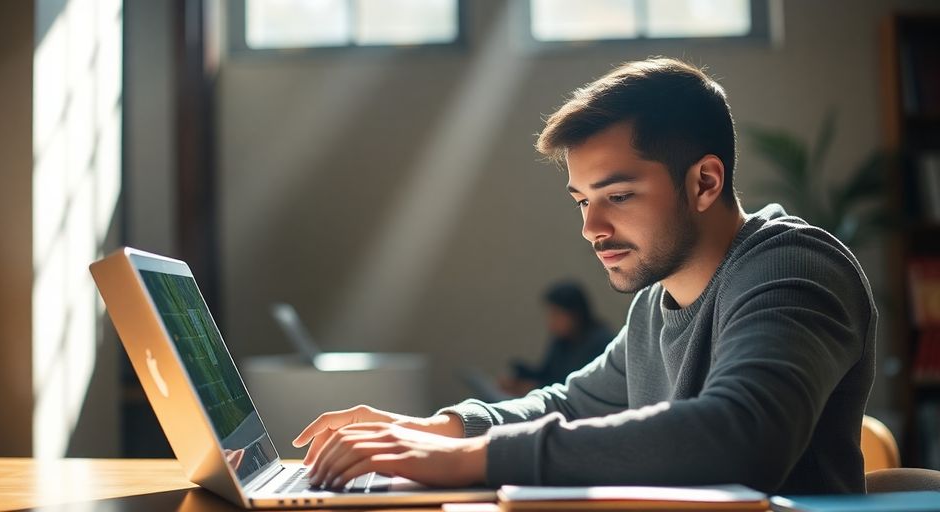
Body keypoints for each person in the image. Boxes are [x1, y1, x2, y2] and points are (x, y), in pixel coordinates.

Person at [290, 58, 877, 495]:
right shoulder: (656, 304)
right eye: (581, 201)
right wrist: (437, 429)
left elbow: (742, 436)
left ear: (704, 182)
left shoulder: (796, 268)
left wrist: (467, 458)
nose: (591, 227)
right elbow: (571, 404)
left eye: (617, 195)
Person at [499, 281, 614, 397]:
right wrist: (520, 378)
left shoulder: (599, 342)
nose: (551, 322)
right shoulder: (562, 340)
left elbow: (575, 387)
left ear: (574, 314)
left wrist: (534, 388)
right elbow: (547, 374)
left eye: (556, 315)